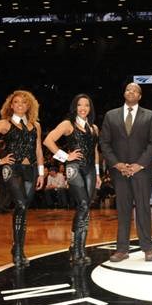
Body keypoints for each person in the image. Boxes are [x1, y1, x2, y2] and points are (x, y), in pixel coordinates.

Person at [0, 90, 45, 267]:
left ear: (29, 105)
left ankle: (17, 247)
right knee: (21, 204)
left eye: (24, 102)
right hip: (12, 168)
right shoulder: (4, 124)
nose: (20, 105)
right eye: (16, 102)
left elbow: (38, 150)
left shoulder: (35, 125)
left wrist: (42, 172)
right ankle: (19, 251)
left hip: (31, 169)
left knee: (23, 209)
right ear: (11, 105)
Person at [99, 82, 152, 262]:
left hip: (142, 171)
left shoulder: (150, 116)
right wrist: (117, 164)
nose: (131, 92)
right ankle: (122, 249)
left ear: (140, 96)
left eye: (135, 90)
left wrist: (139, 165)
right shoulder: (111, 115)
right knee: (123, 210)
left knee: (143, 209)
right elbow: (104, 143)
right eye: (128, 89)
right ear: (124, 93)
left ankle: (147, 248)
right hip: (120, 172)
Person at [43, 94, 102, 264]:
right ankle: (77, 250)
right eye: (79, 105)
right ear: (74, 107)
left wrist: (97, 173)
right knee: (83, 205)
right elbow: (48, 141)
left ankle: (77, 247)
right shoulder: (68, 124)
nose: (83, 108)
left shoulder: (94, 128)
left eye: (86, 105)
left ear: (90, 109)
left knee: (85, 207)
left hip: (90, 169)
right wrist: (65, 157)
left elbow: (95, 152)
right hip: (74, 168)